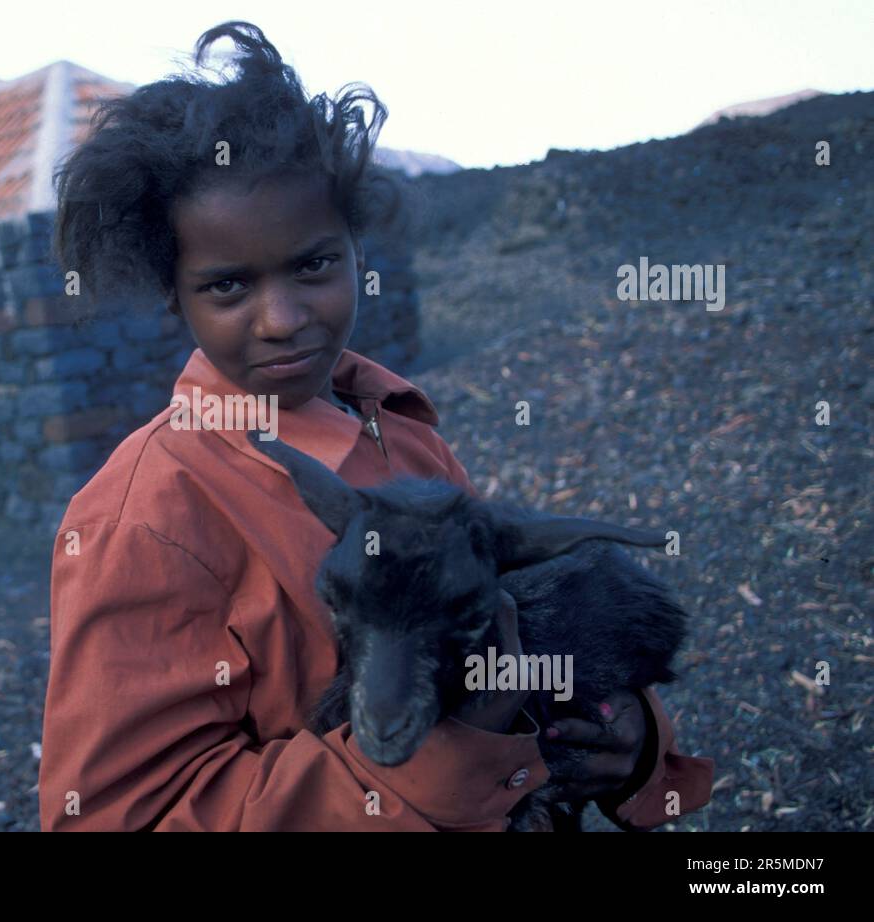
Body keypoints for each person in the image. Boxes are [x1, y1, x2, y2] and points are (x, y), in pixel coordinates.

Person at [38, 20, 714, 831]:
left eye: (314, 264)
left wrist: (629, 741)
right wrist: (423, 775)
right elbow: (112, 819)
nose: (284, 318)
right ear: (171, 293)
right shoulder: (144, 521)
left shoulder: (400, 431)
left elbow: (497, 630)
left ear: (357, 249)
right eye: (227, 286)